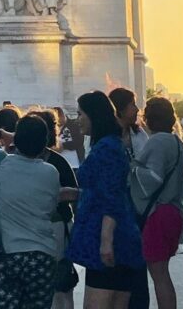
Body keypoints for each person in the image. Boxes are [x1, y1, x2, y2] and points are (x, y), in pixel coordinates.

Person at [0, 114, 63, 309]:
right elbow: (52, 207)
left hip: (5, 254)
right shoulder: (51, 172)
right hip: (41, 254)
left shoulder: (0, 161)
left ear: (16, 139)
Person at [67, 90, 143, 307]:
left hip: (109, 241)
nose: (78, 119)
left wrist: (106, 240)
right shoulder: (111, 144)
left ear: (93, 115)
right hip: (118, 237)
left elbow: (112, 196)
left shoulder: (106, 148)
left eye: (81, 114)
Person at [130, 97, 183, 309]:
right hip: (172, 211)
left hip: (158, 215)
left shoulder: (157, 141)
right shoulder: (177, 142)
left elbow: (153, 178)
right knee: (163, 274)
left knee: (159, 275)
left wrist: (132, 168)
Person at [29, 110, 79, 309]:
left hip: (54, 227)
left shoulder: (57, 162)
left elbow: (75, 194)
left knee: (58, 283)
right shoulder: (58, 161)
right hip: (50, 227)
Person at [110, 89, 149, 158]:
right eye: (133, 104)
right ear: (121, 108)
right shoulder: (104, 136)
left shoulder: (139, 133)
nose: (137, 109)